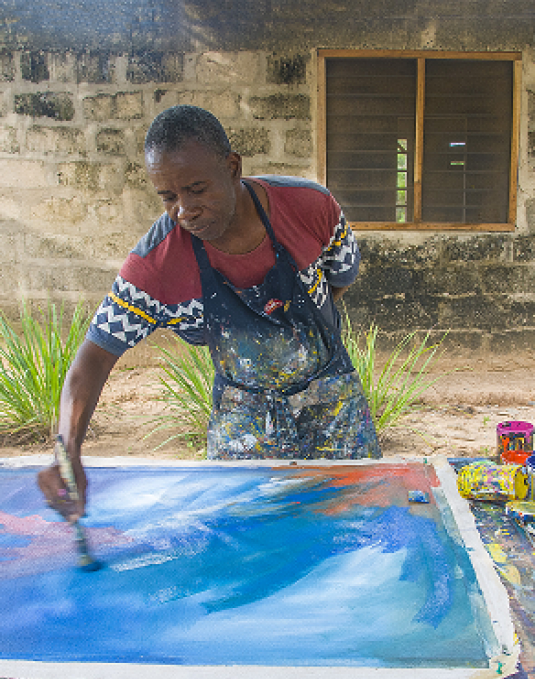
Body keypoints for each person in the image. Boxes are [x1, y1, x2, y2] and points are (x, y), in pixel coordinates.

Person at [38, 105, 381, 521]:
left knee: (355, 523)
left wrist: (300, 335)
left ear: (232, 167)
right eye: (168, 197)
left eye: (197, 189)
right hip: (245, 419)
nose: (184, 210)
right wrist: (67, 449)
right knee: (252, 543)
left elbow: (341, 276)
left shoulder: (309, 207)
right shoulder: (157, 265)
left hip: (334, 400)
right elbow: (92, 360)